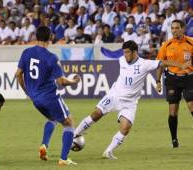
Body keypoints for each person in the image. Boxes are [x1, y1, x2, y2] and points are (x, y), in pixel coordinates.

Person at [73, 40, 191, 160]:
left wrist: (181, 66)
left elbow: (163, 63)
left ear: (135, 52)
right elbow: (110, 54)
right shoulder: (122, 60)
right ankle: (75, 134)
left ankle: (108, 151)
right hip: (114, 96)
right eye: (124, 52)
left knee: (125, 128)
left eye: (127, 52)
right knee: (96, 114)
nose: (125, 55)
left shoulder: (144, 64)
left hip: (130, 103)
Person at [15, 26, 81, 165]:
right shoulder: (51, 58)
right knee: (69, 123)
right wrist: (74, 81)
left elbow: (18, 74)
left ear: (36, 36)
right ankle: (63, 159)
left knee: (52, 118)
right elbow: (61, 81)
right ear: (50, 37)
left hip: (35, 98)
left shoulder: (26, 52)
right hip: (50, 97)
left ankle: (44, 145)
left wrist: (27, 91)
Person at [156, 19, 193, 148]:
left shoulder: (191, 42)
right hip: (172, 79)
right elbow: (160, 64)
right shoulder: (166, 45)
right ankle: (174, 140)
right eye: (172, 28)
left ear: (183, 29)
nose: (174, 30)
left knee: (192, 106)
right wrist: (158, 81)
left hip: (189, 78)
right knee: (173, 112)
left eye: (177, 28)